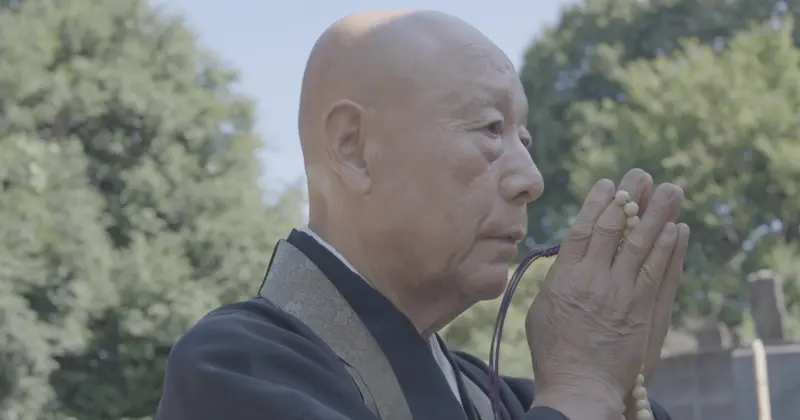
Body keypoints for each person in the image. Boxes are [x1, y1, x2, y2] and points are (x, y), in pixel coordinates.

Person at [155, 9, 690, 420]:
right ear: (354, 149)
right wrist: (583, 387)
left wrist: (620, 387)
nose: (531, 179)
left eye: (524, 139)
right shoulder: (233, 369)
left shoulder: (489, 398)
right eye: (489, 130)